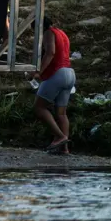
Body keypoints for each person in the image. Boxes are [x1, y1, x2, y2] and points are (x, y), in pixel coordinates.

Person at [34, 16, 75, 154]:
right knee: (61, 114)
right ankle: (64, 149)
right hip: (70, 73)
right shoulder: (61, 32)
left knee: (39, 108)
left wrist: (39, 71)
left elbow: (51, 52)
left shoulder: (48, 33)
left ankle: (60, 137)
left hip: (57, 74)